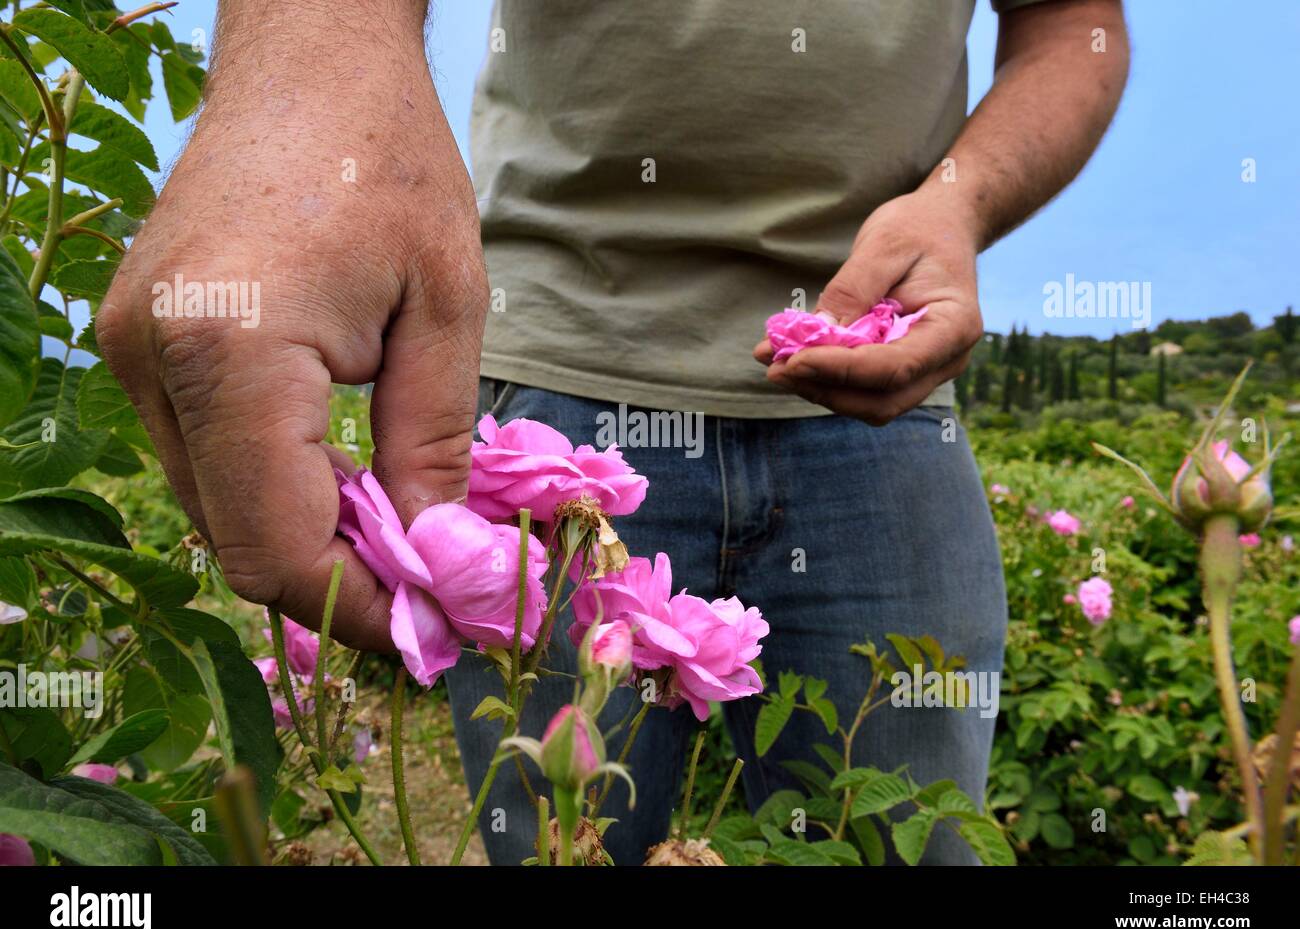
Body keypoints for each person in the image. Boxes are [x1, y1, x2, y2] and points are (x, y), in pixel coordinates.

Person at [98, 0, 1128, 864]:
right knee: (556, 840)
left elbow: (1072, 26)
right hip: (552, 403)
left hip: (885, 405)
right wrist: (308, 95)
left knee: (915, 843)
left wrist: (958, 203)